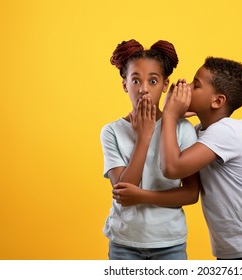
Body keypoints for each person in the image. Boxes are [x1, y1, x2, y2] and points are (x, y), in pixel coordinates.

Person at [115, 56, 242, 260]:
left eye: (195, 85)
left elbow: (172, 168)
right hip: (233, 249)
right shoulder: (201, 132)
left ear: (217, 101)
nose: (184, 86)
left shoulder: (226, 132)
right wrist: (172, 119)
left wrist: (169, 114)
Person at [100, 39, 200, 260]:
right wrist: (144, 137)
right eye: (135, 80)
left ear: (165, 85)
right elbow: (124, 192)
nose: (144, 89)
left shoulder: (182, 129)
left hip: (169, 243)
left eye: (153, 81)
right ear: (125, 84)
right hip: (124, 242)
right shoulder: (111, 131)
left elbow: (191, 193)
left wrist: (143, 196)